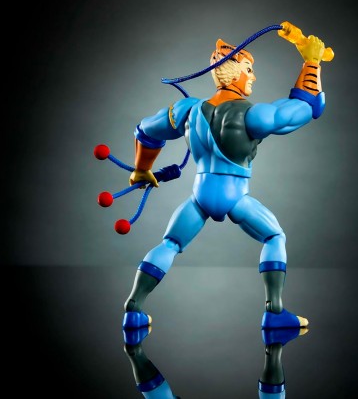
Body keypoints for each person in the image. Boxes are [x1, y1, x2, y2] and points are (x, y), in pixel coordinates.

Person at [122, 32, 327, 330]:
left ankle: (133, 309)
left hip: (200, 196)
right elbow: (307, 108)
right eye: (249, 70)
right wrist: (311, 62)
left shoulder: (188, 110)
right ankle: (274, 312)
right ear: (234, 73)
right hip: (235, 197)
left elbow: (145, 131)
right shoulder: (254, 116)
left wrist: (142, 169)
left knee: (170, 243)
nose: (253, 77)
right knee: (274, 237)